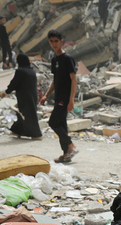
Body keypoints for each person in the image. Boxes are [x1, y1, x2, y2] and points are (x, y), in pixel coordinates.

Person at [39, 30, 79, 163]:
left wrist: (71, 100)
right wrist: (46, 95)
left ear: (61, 42)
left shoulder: (67, 59)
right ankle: (66, 153)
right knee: (61, 125)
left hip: (65, 98)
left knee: (53, 122)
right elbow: (55, 81)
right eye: (51, 41)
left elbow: (74, 80)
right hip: (58, 97)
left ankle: (71, 146)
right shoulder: (55, 60)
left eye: (56, 41)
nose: (54, 44)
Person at [2, 53, 42, 140]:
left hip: (24, 96)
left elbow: (14, 83)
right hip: (33, 96)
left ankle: (36, 134)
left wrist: (7, 91)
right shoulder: (32, 71)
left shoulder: (20, 71)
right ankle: (17, 131)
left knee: (28, 115)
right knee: (25, 114)